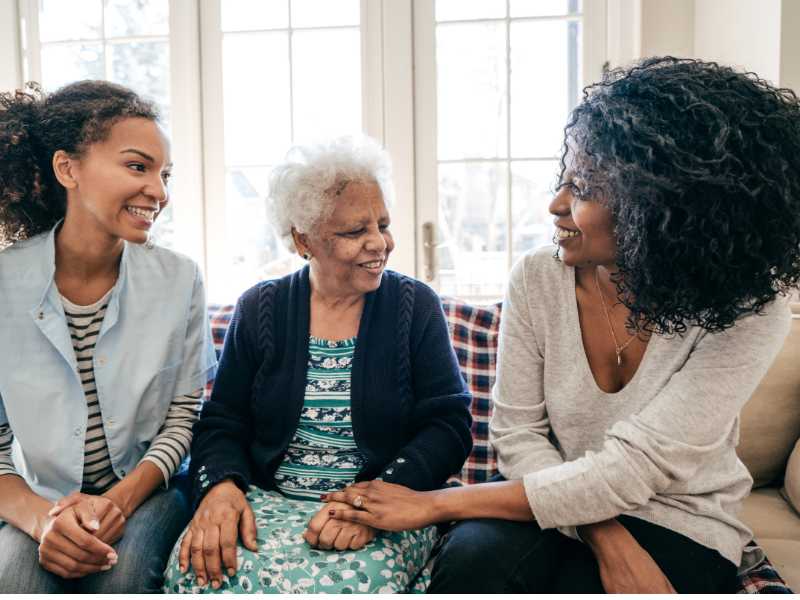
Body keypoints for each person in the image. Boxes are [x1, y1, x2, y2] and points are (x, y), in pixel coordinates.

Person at [322, 57, 800, 593]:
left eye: (584, 190)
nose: (555, 205)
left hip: (676, 518)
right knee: (471, 566)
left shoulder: (748, 312)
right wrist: (606, 537)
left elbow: (632, 470)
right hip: (542, 495)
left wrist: (431, 505)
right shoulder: (537, 277)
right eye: (563, 180)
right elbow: (518, 434)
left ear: (666, 211)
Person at [162, 136, 473, 594]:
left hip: (383, 502)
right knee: (200, 571)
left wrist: (371, 501)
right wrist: (220, 488)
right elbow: (222, 421)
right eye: (354, 232)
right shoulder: (260, 308)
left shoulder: (414, 305)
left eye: (383, 224)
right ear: (303, 239)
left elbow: (448, 425)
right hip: (270, 502)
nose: (379, 243)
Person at [0, 80, 217, 593]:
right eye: (138, 167)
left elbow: (182, 419)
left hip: (146, 492)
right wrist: (41, 518)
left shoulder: (179, 279)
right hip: (35, 497)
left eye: (164, 175)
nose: (159, 192)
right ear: (67, 169)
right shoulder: (4, 285)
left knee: (119, 578)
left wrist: (113, 503)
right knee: (14, 579)